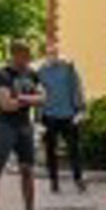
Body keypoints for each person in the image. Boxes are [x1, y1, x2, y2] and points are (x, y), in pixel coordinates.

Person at [0, 41, 49, 210]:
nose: (27, 59)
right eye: (24, 56)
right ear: (15, 55)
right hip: (5, 126)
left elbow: (44, 97)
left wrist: (20, 98)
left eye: (29, 56)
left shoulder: (31, 74)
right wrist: (30, 100)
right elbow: (5, 105)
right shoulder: (2, 76)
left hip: (24, 126)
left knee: (27, 170)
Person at [36, 46, 87, 195]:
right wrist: (38, 119)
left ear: (58, 54)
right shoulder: (40, 72)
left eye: (54, 53)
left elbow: (76, 88)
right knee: (50, 151)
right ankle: (54, 182)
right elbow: (36, 93)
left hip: (68, 115)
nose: (52, 56)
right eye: (49, 54)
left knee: (74, 150)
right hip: (49, 116)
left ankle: (78, 179)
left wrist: (80, 109)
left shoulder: (68, 68)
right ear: (44, 56)